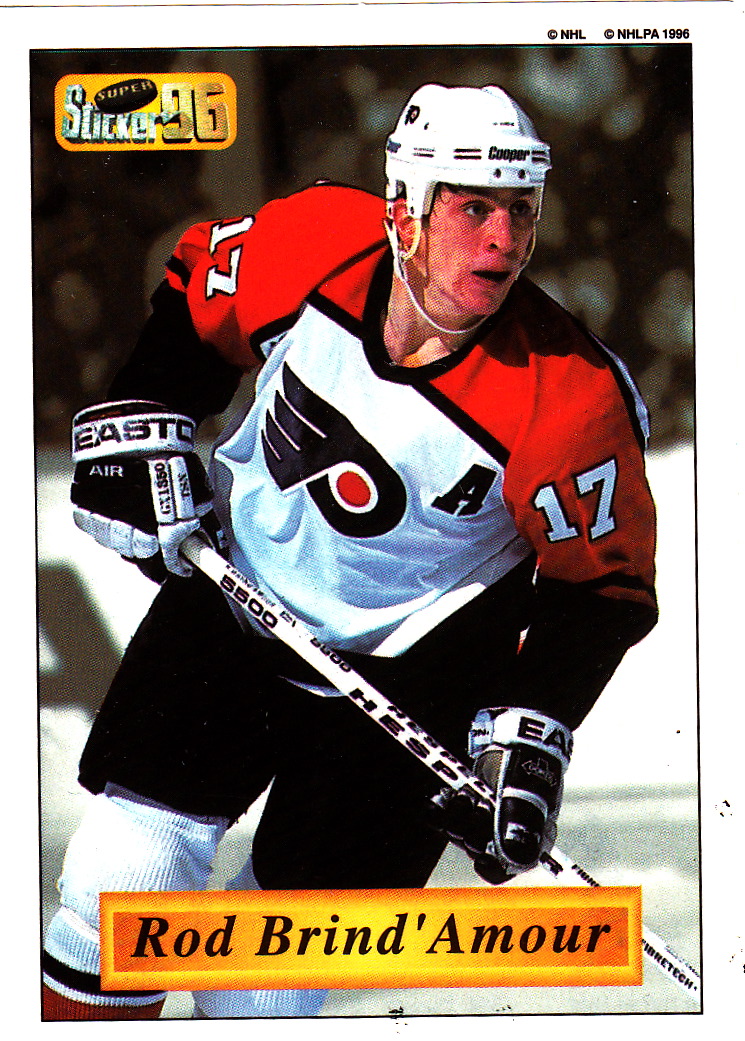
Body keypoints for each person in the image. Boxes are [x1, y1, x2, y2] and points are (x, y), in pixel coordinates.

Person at [42, 83, 657, 1020]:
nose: (503, 240)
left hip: (411, 686)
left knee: (263, 991)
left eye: (520, 211)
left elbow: (601, 588)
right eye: (474, 207)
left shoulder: (570, 395)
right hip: (236, 598)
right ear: (404, 207)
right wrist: (139, 422)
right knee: (117, 892)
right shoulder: (315, 239)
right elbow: (194, 310)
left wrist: (530, 732)